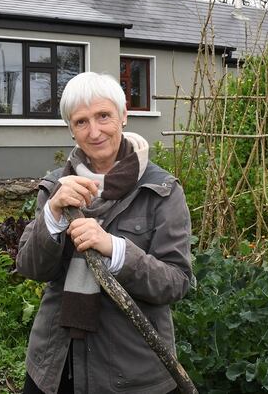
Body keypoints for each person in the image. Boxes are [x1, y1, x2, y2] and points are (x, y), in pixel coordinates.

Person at [16, 72, 192, 394]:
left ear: (123, 116)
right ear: (71, 129)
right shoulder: (57, 186)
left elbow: (176, 281)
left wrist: (114, 249)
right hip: (55, 367)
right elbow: (30, 268)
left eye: (103, 116)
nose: (94, 131)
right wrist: (53, 215)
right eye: (81, 122)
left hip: (132, 374)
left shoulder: (161, 190)